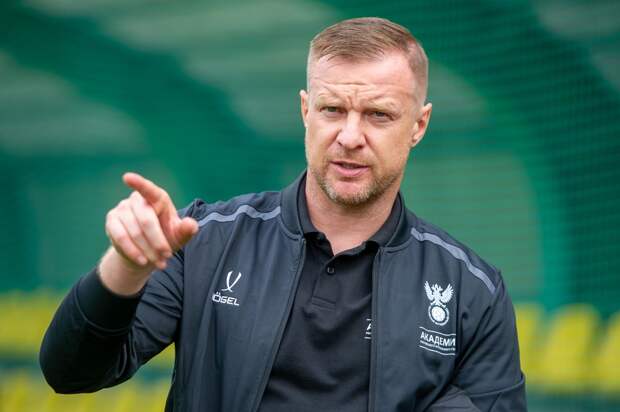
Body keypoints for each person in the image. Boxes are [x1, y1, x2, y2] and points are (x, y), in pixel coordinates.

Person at [40, 17, 526, 412]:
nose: (350, 137)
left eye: (378, 115)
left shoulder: (472, 291)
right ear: (305, 112)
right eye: (332, 109)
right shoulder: (204, 241)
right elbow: (71, 373)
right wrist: (125, 267)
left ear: (419, 125)